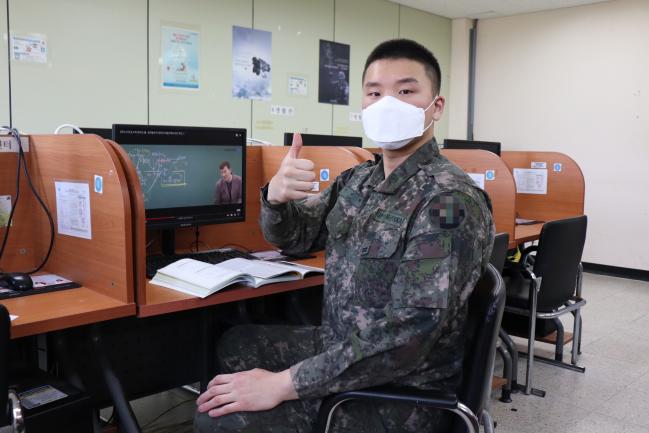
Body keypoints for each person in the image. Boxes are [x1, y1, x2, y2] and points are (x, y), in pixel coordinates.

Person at [195, 39, 494, 433]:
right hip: (346, 350)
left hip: (399, 394)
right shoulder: (358, 181)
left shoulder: (449, 202)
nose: (388, 102)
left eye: (405, 91)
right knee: (233, 344)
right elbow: (297, 238)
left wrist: (284, 385)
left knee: (220, 418)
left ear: (435, 106)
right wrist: (277, 199)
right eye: (375, 92)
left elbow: (408, 335)